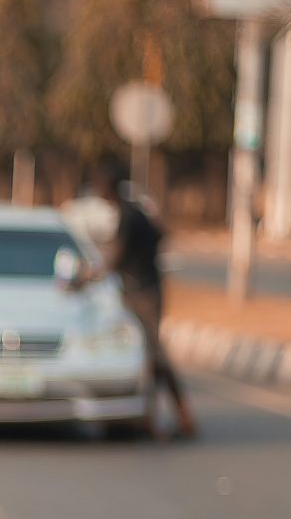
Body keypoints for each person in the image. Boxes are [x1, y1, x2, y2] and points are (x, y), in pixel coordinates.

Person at [68, 164, 198, 441]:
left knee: (154, 355)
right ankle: (158, 417)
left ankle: (177, 417)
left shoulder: (129, 216)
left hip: (144, 293)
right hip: (141, 289)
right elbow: (158, 236)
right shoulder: (134, 213)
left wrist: (85, 278)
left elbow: (114, 257)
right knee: (146, 356)